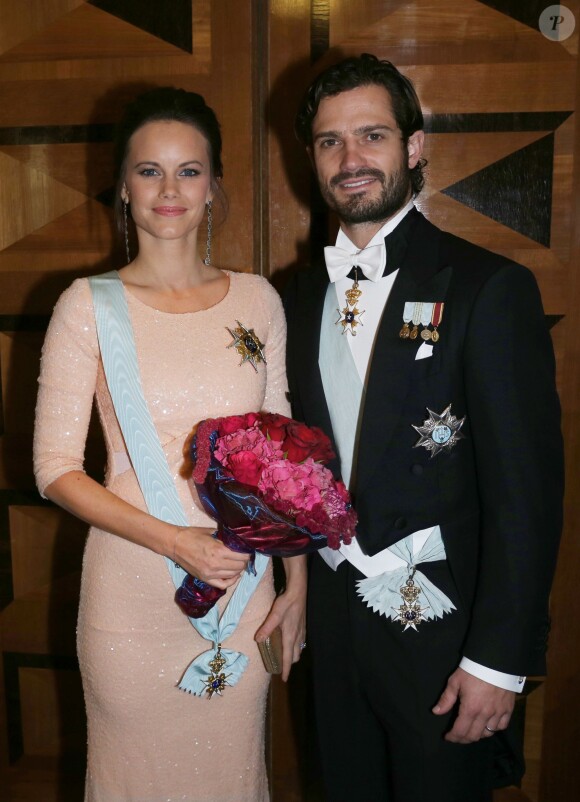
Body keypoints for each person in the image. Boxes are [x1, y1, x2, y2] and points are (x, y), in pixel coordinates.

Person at [284, 54, 563, 802]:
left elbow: (525, 498)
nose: (351, 161)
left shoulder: (488, 288)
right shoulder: (293, 295)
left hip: (445, 649)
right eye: (329, 141)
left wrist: (499, 661)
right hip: (334, 639)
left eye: (372, 136)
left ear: (413, 148)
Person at [33, 86, 306, 802]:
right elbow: (55, 469)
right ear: (122, 186)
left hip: (242, 593)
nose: (169, 189)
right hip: (132, 593)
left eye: (189, 170)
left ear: (214, 186)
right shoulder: (85, 306)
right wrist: (175, 540)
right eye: (149, 170)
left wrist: (297, 585)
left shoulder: (258, 301)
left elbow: (285, 464)